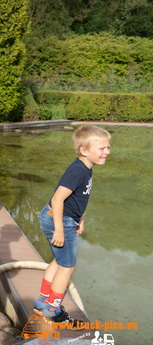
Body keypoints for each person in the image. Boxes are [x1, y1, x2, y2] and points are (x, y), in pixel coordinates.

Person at [33, 125, 111, 328]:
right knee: (67, 267)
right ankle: (53, 311)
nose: (107, 152)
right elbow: (58, 199)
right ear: (83, 150)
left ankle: (42, 301)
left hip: (62, 218)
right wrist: (60, 229)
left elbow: (76, 198)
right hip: (59, 220)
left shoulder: (85, 168)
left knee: (59, 261)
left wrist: (80, 217)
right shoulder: (78, 171)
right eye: (102, 148)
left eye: (108, 147)